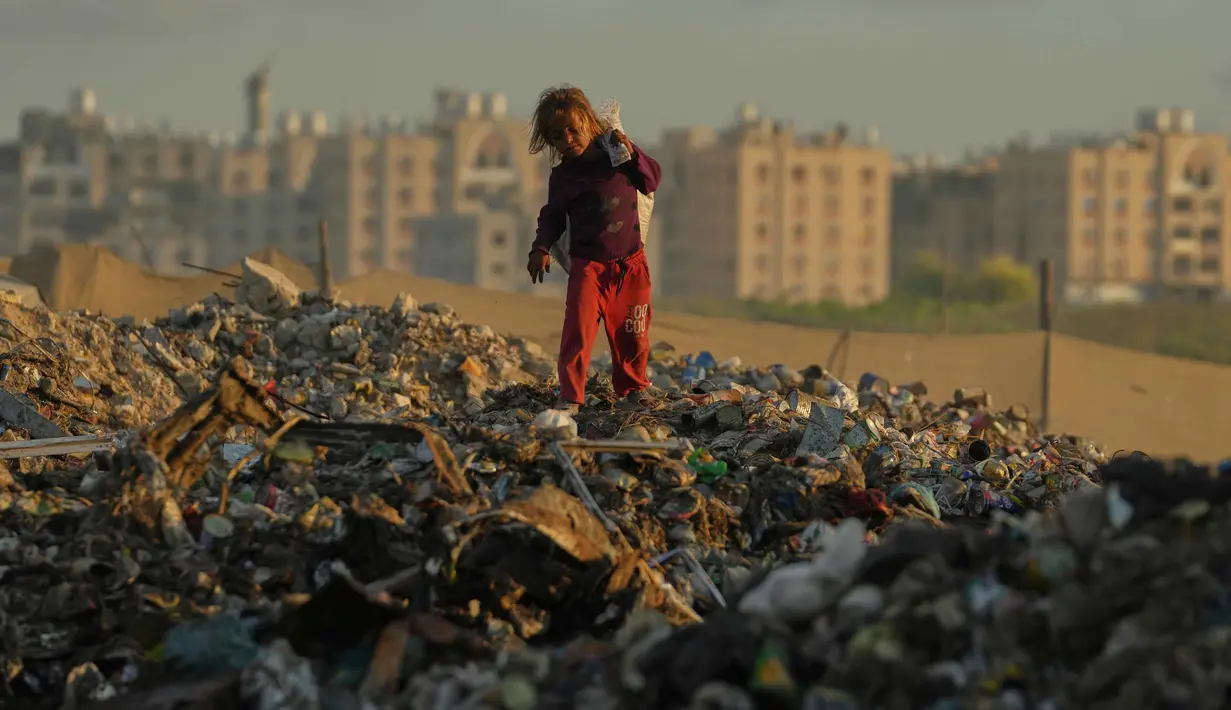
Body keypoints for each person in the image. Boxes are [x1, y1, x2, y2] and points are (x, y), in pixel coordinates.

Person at [526, 85, 662, 413]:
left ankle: (632, 390)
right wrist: (540, 247)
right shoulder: (564, 176)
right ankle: (571, 396)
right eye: (558, 135)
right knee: (578, 331)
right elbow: (554, 215)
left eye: (574, 129)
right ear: (550, 141)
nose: (568, 139)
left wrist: (633, 152)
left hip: (630, 265)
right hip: (589, 267)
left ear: (589, 123)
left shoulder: (618, 159)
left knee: (633, 333)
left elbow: (652, 179)